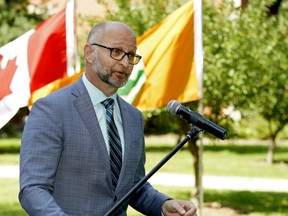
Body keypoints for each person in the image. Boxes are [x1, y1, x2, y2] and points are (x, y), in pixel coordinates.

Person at [19, 21, 198, 216]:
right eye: (116, 51)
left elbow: (132, 187)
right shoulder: (51, 109)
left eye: (130, 55)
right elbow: (33, 189)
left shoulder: (133, 117)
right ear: (89, 53)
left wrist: (163, 205)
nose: (124, 63)